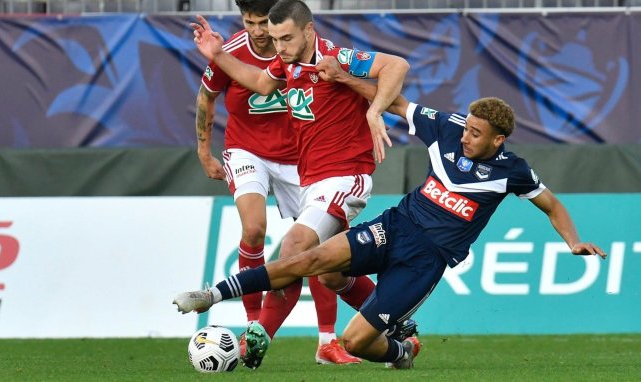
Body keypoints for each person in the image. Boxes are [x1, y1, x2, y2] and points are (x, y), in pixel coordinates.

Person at [175, 57, 608, 369]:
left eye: (477, 134)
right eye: (468, 127)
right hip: (397, 225)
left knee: (357, 341)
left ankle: (401, 349)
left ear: (498, 141)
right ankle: (211, 295)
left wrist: (572, 242)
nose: (467, 137)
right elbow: (397, 102)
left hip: (426, 260)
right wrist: (345, 78)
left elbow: (551, 205)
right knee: (313, 262)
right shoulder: (448, 127)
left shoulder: (512, 171)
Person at [175, 0, 412, 369]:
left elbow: (397, 65)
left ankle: (256, 337)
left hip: (346, 174)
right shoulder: (284, 61)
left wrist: (373, 109)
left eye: (286, 38)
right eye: (275, 39)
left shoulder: (335, 56)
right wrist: (218, 53)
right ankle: (399, 330)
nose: (279, 47)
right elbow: (258, 82)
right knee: (331, 273)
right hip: (311, 178)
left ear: (308, 30)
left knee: (295, 246)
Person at [193, 0, 359, 366]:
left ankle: (327, 341)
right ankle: (253, 329)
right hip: (247, 150)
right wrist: (205, 151)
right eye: (248, 22)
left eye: (261, 23)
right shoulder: (232, 51)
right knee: (254, 229)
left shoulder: (302, 47)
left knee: (318, 249)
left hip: (299, 156)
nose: (256, 31)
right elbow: (207, 97)